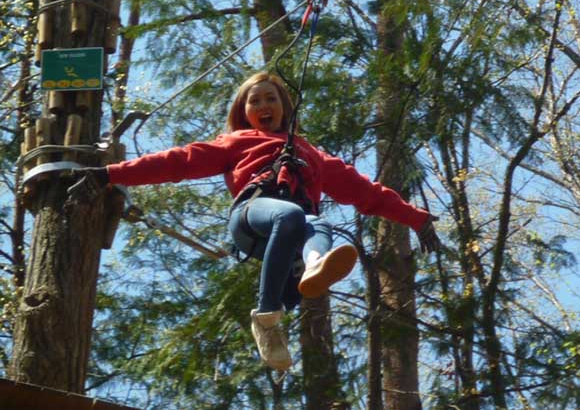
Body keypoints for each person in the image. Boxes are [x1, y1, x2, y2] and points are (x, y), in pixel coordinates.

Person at [68, 71, 440, 371]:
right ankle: (266, 317)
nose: (263, 105)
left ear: (285, 108)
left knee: (318, 224)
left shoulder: (312, 154)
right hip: (252, 217)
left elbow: (368, 193)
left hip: (290, 234)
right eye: (255, 100)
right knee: (297, 215)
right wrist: (110, 174)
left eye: (271, 98)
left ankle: (312, 265)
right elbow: (177, 162)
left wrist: (416, 219)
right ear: (244, 111)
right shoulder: (237, 142)